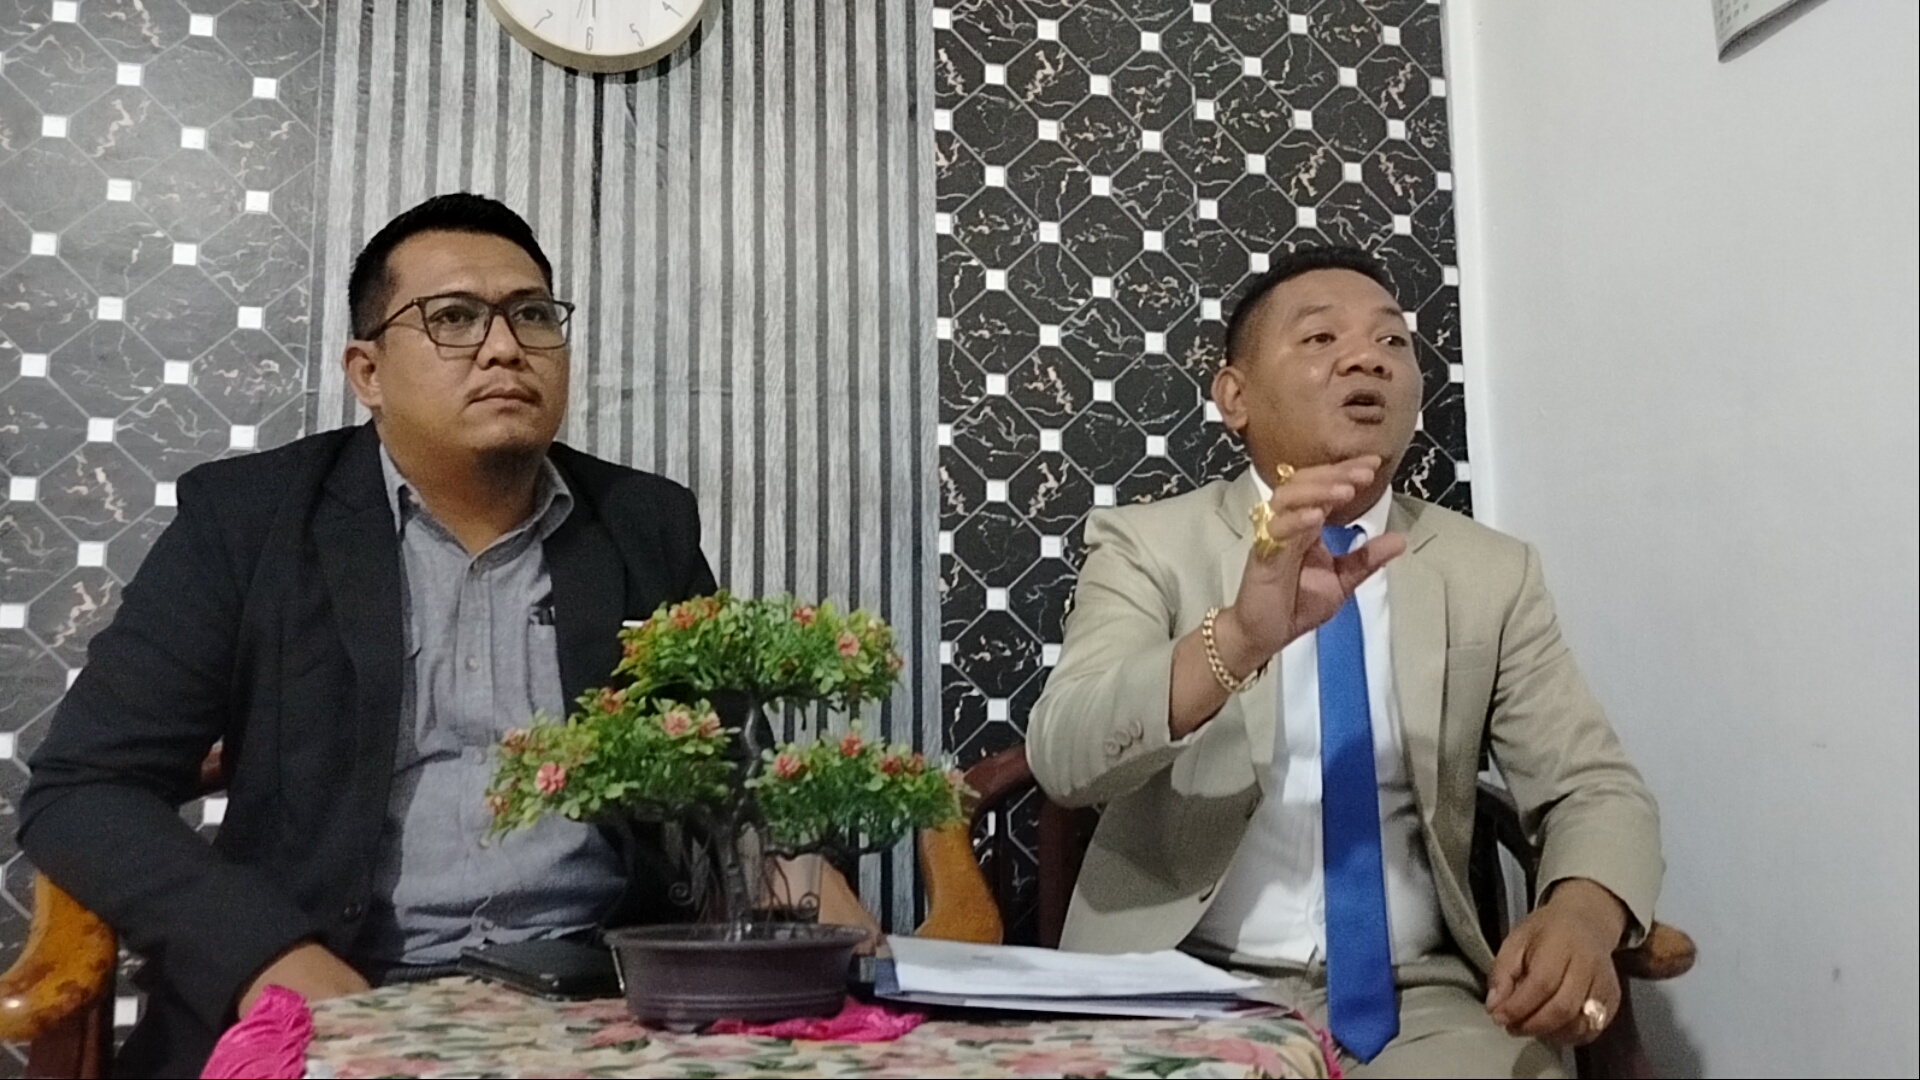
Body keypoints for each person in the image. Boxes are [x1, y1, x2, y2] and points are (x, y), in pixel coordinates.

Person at [18, 193, 870, 1078]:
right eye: (454, 318)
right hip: (342, 989)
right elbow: (84, 788)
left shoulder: (642, 523)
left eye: (532, 315)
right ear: (368, 372)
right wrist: (275, 961)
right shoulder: (247, 521)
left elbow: (732, 764)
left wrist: (799, 866)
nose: (504, 347)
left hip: (606, 1003)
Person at [1026, 246, 1662, 1077]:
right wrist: (1239, 640)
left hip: (1419, 1000)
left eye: (1392, 341)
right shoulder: (1149, 544)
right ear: (1235, 396)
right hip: (1174, 985)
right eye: (1320, 338)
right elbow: (1065, 756)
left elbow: (1593, 786)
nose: (1368, 358)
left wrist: (1584, 912)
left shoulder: (1490, 572)